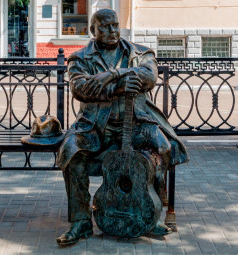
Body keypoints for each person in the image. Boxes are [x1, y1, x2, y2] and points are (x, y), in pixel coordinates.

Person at [56, 9, 189, 245]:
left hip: (136, 122)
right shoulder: (80, 58)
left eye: (115, 25)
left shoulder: (139, 52)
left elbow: (149, 76)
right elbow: (80, 89)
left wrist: (113, 74)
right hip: (95, 127)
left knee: (162, 147)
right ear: (92, 31)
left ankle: (151, 215)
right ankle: (82, 221)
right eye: (105, 27)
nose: (112, 31)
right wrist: (118, 86)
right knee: (72, 150)